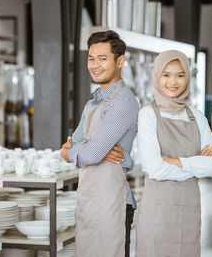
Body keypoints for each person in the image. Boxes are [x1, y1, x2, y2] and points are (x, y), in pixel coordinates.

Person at [134, 50, 212, 257]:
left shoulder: (197, 117)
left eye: (180, 75)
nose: (173, 82)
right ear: (157, 76)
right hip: (157, 214)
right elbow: (155, 168)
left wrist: (175, 161)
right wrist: (196, 165)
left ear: (187, 78)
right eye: (166, 75)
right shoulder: (148, 115)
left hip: (188, 213)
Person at [60, 30, 139, 257]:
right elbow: (71, 143)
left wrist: (76, 152)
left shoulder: (123, 101)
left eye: (103, 59)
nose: (95, 65)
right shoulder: (94, 101)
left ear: (120, 61)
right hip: (90, 200)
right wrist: (87, 150)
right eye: (91, 58)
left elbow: (89, 153)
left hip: (112, 203)